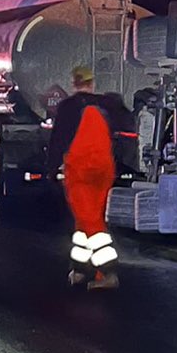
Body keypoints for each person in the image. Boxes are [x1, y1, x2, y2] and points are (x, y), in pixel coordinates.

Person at [45, 64, 119, 289]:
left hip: (80, 171)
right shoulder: (107, 105)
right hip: (105, 169)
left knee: (90, 222)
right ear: (92, 82)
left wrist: (51, 168)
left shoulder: (68, 107)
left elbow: (58, 139)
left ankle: (107, 273)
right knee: (87, 219)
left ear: (74, 83)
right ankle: (81, 269)